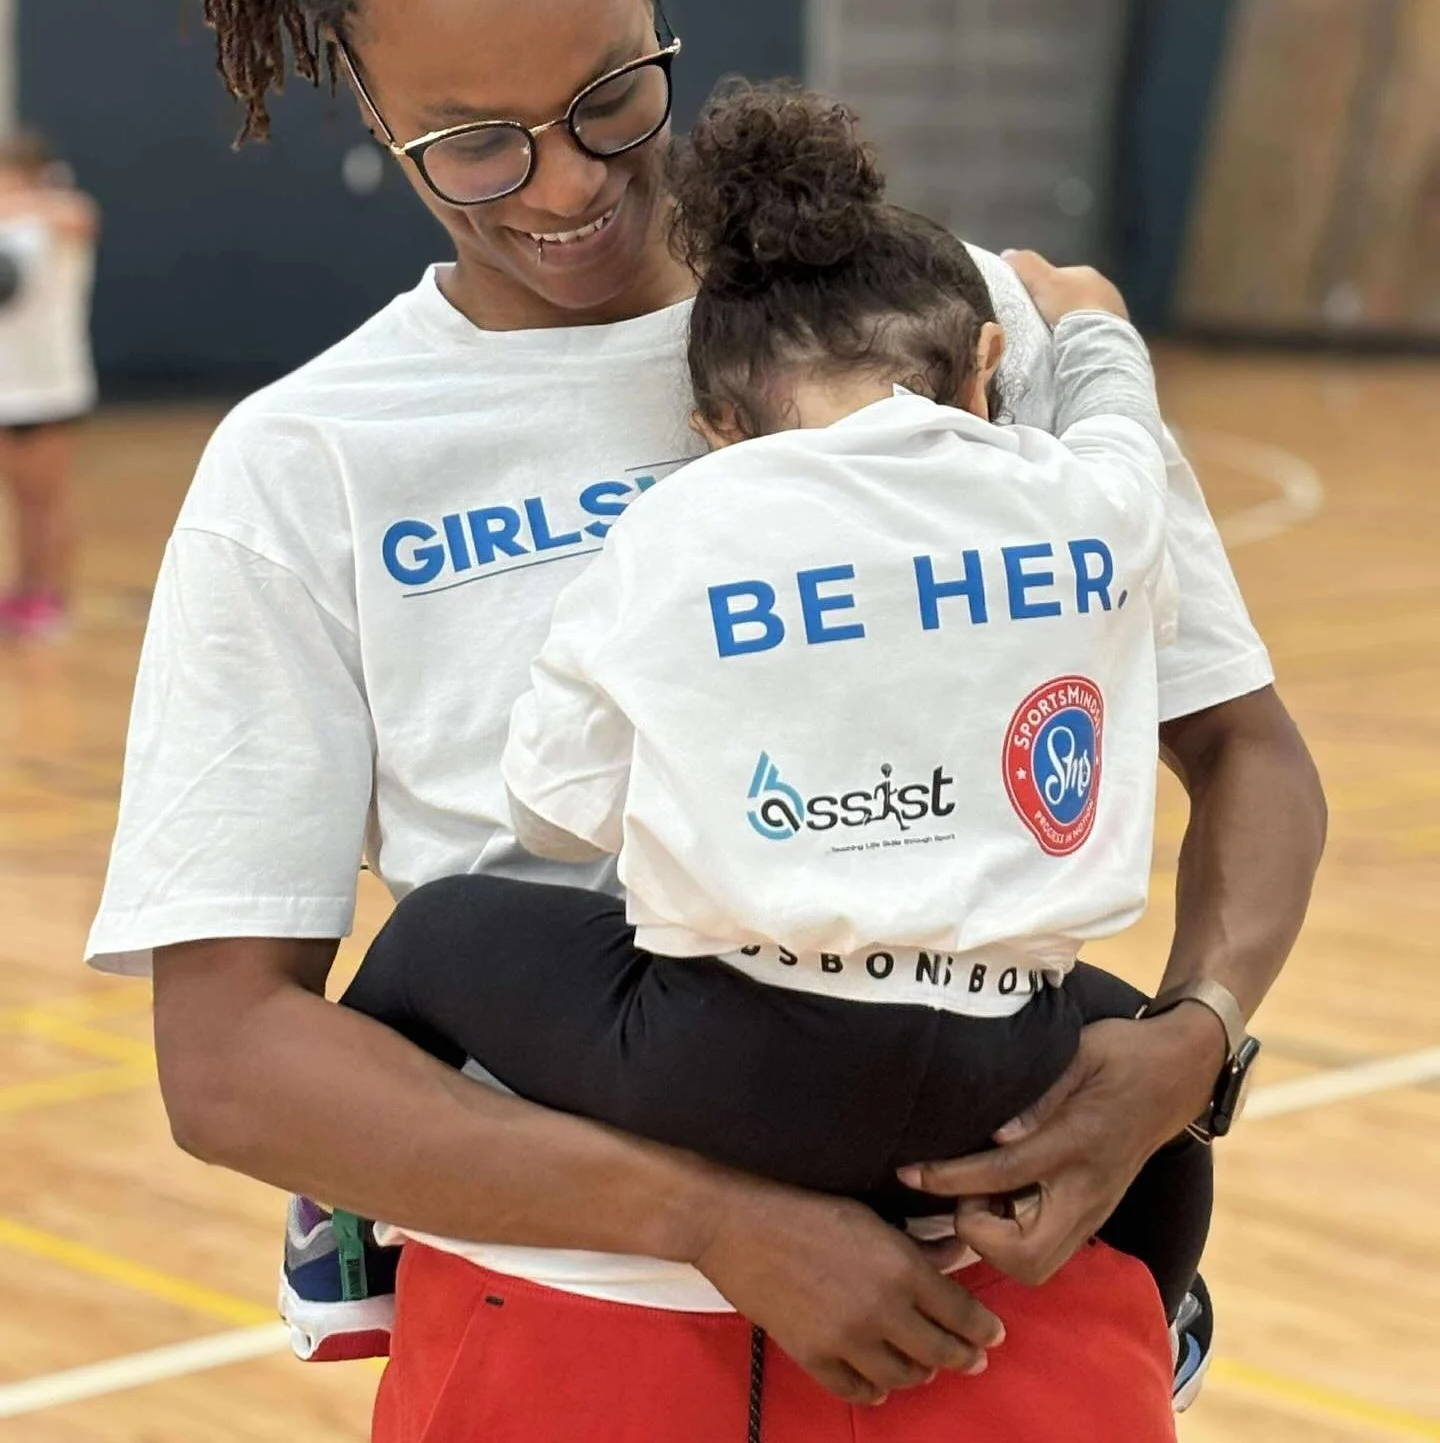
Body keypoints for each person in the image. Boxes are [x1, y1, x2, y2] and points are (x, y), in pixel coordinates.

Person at [85, 0, 1325, 1443]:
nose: (573, 184)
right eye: (479, 146)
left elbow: (1250, 755)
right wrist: (703, 1221)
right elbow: (230, 1057)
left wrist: (1194, 1043)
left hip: (1004, 1311)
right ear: (368, 112)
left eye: (609, 95)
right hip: (557, 1339)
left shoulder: (968, 326)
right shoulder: (309, 465)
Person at [334, 81, 1216, 1356]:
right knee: (1160, 1089)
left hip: (735, 1067)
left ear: (715, 428)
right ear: (983, 371)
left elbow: (552, 804)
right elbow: (1122, 426)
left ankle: (348, 1235)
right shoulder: (1086, 498)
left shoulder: (675, 530)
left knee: (436, 936)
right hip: (1005, 1064)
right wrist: (1090, 326)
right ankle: (1165, 1311)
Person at [0, 126, 99, 640]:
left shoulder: (61, 214)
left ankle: (53, 596)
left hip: (50, 386)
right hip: (7, 387)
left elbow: (79, 218)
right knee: (19, 499)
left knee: (47, 499)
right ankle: (22, 588)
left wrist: (22, 201)